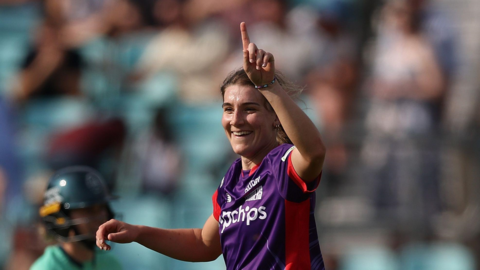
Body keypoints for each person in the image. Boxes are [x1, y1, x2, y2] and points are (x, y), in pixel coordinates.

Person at [96, 22, 326, 269]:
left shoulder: (282, 165)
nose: (235, 120)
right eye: (228, 109)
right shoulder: (231, 180)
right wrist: (139, 232)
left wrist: (269, 86)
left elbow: (313, 153)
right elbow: (203, 244)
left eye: (249, 109)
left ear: (274, 118)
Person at [31, 166, 122, 270]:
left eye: (101, 208)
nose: (100, 217)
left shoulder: (110, 264)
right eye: (88, 210)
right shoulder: (47, 268)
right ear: (62, 217)